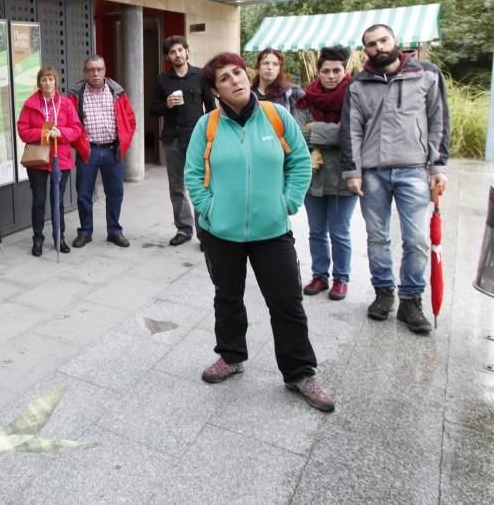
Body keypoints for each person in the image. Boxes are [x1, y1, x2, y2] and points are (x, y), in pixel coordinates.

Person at [184, 52, 334, 413]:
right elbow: (192, 175)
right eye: (224, 78)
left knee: (286, 302)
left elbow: (299, 160)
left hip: (272, 231)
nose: (235, 80)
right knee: (228, 296)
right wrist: (209, 209)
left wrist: (289, 201)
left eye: (238, 72)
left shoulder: (276, 116)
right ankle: (231, 356)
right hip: (221, 232)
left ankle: (299, 373)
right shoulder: (207, 126)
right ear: (216, 90)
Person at [341, 23, 449, 334]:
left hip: (414, 169)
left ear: (396, 41)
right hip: (373, 172)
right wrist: (353, 171)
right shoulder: (358, 85)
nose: (379, 47)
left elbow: (437, 120)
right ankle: (383, 292)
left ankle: (411, 300)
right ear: (366, 50)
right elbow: (352, 129)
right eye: (371, 44)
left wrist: (438, 167)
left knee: (415, 239)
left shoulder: (426, 74)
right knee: (377, 238)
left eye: (383, 40)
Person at [294, 46, 358, 301]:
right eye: (326, 71)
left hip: (345, 174)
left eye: (336, 71)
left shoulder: (355, 97)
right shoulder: (306, 98)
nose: (331, 76)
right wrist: (334, 131)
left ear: (345, 71)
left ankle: (341, 278)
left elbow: (352, 134)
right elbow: (298, 135)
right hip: (313, 174)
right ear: (318, 72)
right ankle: (320, 275)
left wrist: (316, 128)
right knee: (316, 230)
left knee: (340, 231)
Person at [149, 36, 215, 248]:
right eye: (172, 52)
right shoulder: (162, 79)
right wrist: (166, 104)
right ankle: (183, 229)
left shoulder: (201, 76)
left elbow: (211, 109)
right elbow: (153, 110)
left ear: (187, 51)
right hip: (172, 139)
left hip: (197, 138)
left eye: (180, 50)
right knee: (176, 186)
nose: (177, 54)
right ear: (167, 57)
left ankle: (204, 232)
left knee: (200, 185)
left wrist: (212, 136)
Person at [68, 54, 137, 249]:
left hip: (112, 150)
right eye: (91, 69)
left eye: (99, 69)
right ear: (85, 72)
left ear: (105, 71)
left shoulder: (117, 92)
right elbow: (70, 122)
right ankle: (85, 232)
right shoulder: (76, 94)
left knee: (115, 193)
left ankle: (114, 231)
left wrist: (124, 142)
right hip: (88, 151)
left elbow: (130, 121)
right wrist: (79, 145)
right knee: (83, 193)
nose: (95, 73)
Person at [17, 66, 82, 257]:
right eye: (44, 79)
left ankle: (59, 237)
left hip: (59, 159)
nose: (47, 83)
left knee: (58, 201)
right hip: (37, 159)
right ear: (39, 83)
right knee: (38, 201)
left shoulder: (66, 104)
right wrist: (43, 132)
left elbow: (76, 129)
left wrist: (60, 133)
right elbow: (23, 131)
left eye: (51, 79)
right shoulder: (29, 104)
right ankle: (38, 239)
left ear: (56, 82)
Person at [252, 48, 304, 115]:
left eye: (275, 64)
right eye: (266, 63)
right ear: (258, 67)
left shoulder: (292, 93)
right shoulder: (249, 94)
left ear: (279, 69)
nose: (270, 67)